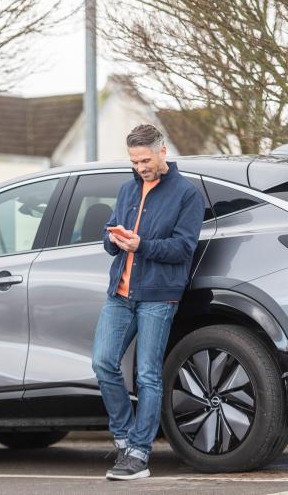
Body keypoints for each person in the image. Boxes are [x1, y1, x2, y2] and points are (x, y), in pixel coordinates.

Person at [92, 124, 205, 481]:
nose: (140, 167)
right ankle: (125, 438)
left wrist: (142, 245)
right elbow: (112, 230)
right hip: (120, 293)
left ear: (162, 152)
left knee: (148, 375)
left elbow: (184, 248)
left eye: (145, 159)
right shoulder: (128, 189)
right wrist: (114, 238)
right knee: (103, 363)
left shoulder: (186, 195)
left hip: (158, 295)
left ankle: (140, 454)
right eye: (135, 161)